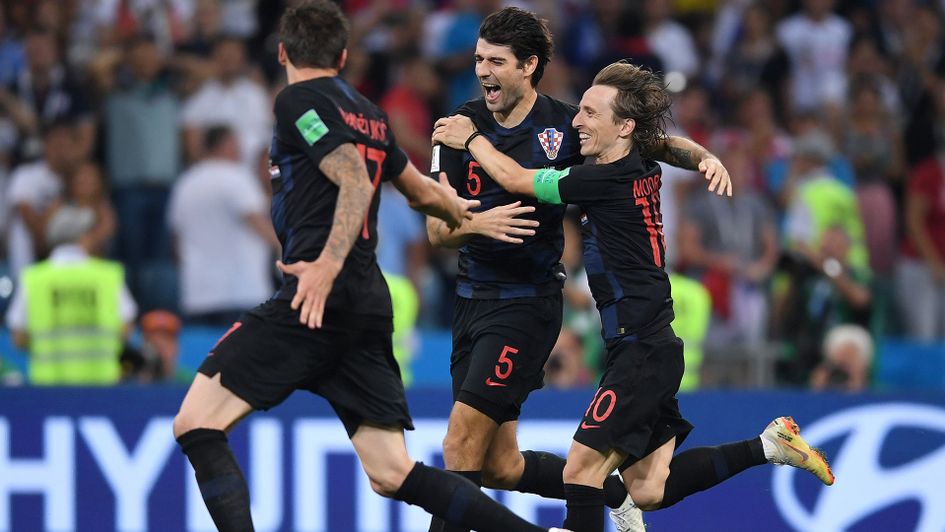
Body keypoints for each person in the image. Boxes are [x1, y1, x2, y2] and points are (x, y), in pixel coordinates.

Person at [170, 3, 568, 532]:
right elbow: (421, 192)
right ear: (343, 55)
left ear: (283, 52)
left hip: (315, 296)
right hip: (366, 307)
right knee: (392, 472)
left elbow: (355, 178)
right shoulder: (371, 115)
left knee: (195, 423)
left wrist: (324, 265)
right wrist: (467, 215)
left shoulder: (296, 100)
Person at [433, 60, 835, 532]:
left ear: (623, 127)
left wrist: (472, 139)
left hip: (641, 348)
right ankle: (769, 445)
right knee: (647, 489)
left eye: (588, 113)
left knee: (581, 469)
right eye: (577, 110)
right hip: (649, 345)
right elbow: (669, 145)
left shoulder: (602, 181)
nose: (575, 122)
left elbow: (520, 179)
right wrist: (703, 155)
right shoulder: (634, 158)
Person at [426, 8, 731, 532]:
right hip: (470, 302)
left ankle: (585, 498)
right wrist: (478, 225)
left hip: (527, 305)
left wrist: (702, 153)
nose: (482, 71)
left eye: (496, 61)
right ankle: (606, 495)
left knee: (459, 446)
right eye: (478, 59)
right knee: (500, 466)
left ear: (529, 66)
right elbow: (436, 232)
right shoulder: (455, 125)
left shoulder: (565, 126)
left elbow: (648, 143)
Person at [5, 206, 136, 385]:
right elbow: (126, 329)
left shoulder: (33, 278)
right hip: (102, 388)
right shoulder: (108, 276)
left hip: (47, 390)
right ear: (83, 237)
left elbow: (18, 338)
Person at [168, 125, 278, 326]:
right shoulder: (236, 177)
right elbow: (258, 223)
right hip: (242, 291)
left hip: (198, 296)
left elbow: (176, 244)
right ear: (226, 145)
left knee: (205, 357)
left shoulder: (184, 183)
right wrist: (286, 248)